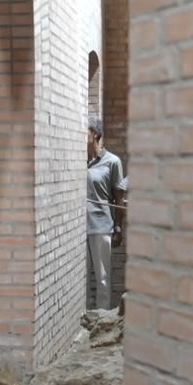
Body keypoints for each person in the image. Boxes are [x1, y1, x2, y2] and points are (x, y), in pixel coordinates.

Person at [86, 116, 126, 310]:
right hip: (77, 228)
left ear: (95, 134)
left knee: (102, 277)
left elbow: (119, 198)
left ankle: (102, 320)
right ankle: (80, 322)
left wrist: (118, 227)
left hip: (101, 226)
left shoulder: (112, 162)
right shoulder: (77, 161)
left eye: (83, 131)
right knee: (81, 278)